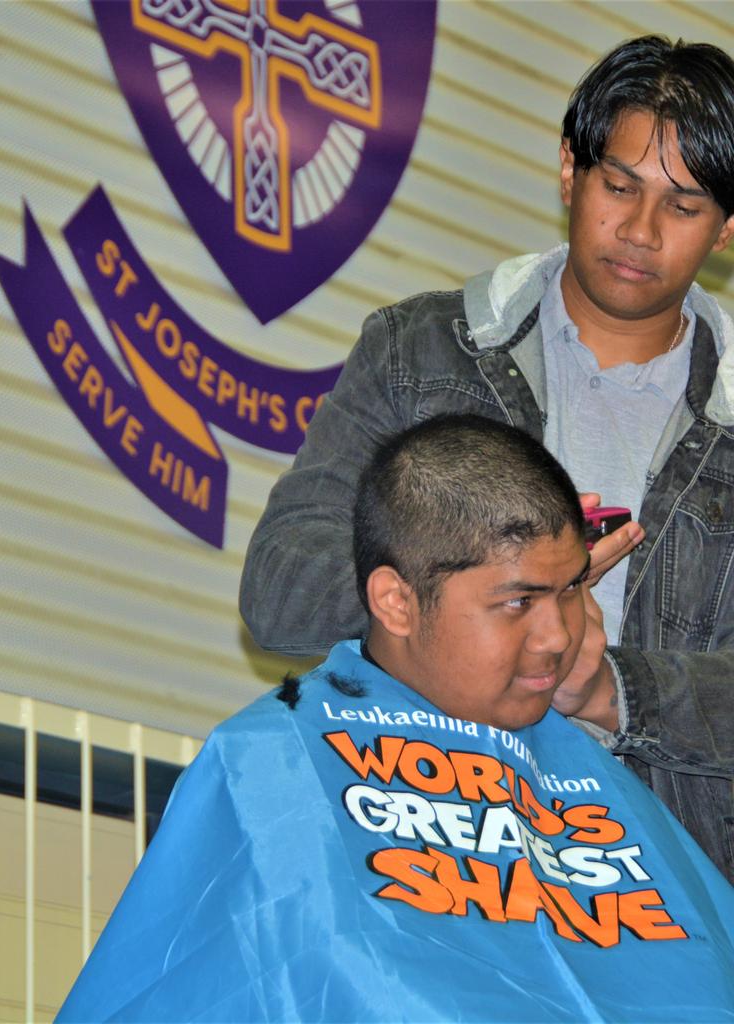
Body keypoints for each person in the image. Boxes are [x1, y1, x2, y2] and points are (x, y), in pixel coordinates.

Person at [239, 35, 734, 882]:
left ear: (728, 228)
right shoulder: (421, 350)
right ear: (569, 174)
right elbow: (279, 591)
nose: (641, 231)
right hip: (426, 855)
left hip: (669, 903)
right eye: (619, 186)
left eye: (683, 207)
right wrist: (476, 574)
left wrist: (608, 688)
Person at [59, 416, 734, 1022]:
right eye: (518, 602)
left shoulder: (590, 771)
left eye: (571, 591)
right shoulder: (271, 757)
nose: (558, 636)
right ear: (396, 602)